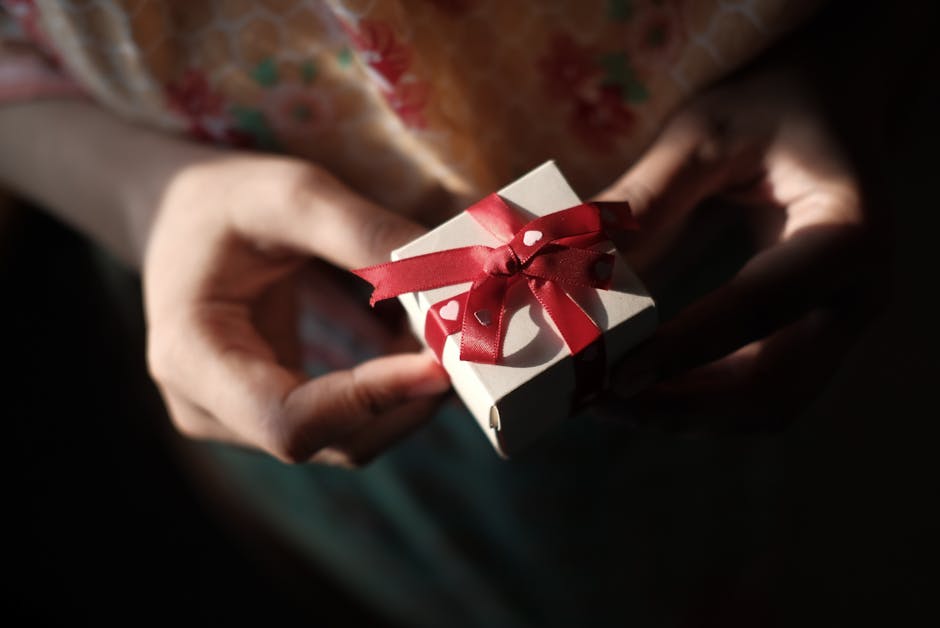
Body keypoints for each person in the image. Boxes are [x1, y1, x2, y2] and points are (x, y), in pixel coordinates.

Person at [0, 1, 888, 625]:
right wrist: (143, 195)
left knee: (687, 563)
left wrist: (857, 54)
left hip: (718, 261)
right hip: (256, 314)